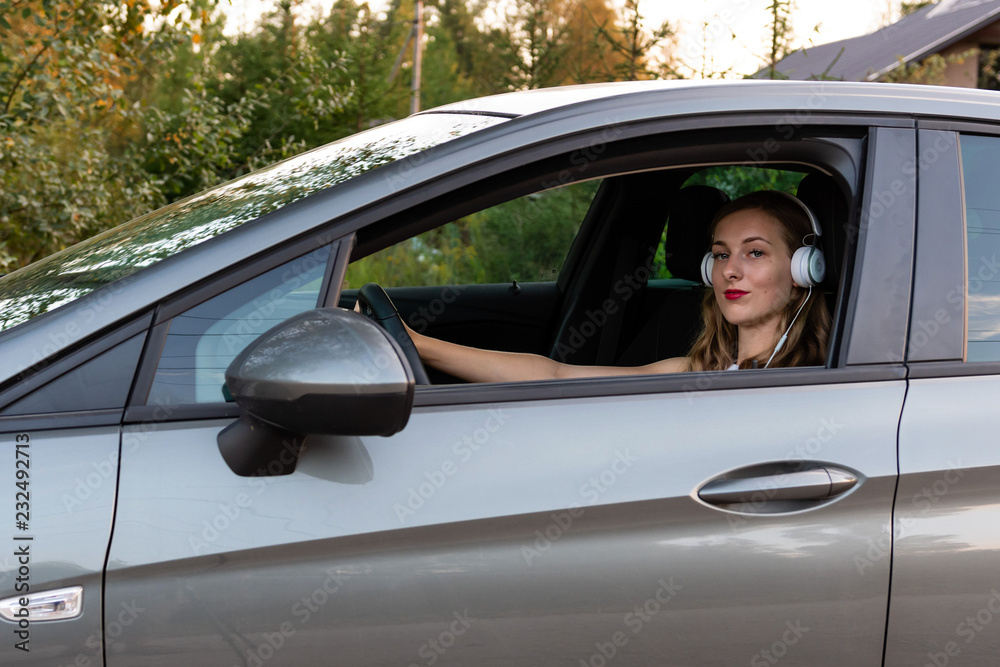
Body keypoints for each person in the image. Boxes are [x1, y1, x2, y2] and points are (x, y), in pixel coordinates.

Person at [402, 190, 831, 382]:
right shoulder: (690, 372)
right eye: (720, 254)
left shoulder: (821, 384)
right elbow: (554, 374)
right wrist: (417, 343)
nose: (730, 271)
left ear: (801, 272)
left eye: (754, 253)